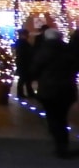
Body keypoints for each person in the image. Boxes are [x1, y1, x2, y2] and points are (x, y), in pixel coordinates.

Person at [28, 28, 79, 158]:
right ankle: (62, 144)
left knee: (53, 118)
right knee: (62, 118)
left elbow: (34, 70)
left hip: (48, 90)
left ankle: (60, 145)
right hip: (66, 90)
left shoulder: (43, 52)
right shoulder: (68, 52)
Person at [13, 27, 36, 98]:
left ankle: (28, 92)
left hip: (22, 62)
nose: (28, 35)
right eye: (26, 34)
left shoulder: (21, 42)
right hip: (23, 62)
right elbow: (25, 53)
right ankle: (21, 93)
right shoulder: (22, 43)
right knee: (23, 78)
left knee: (26, 78)